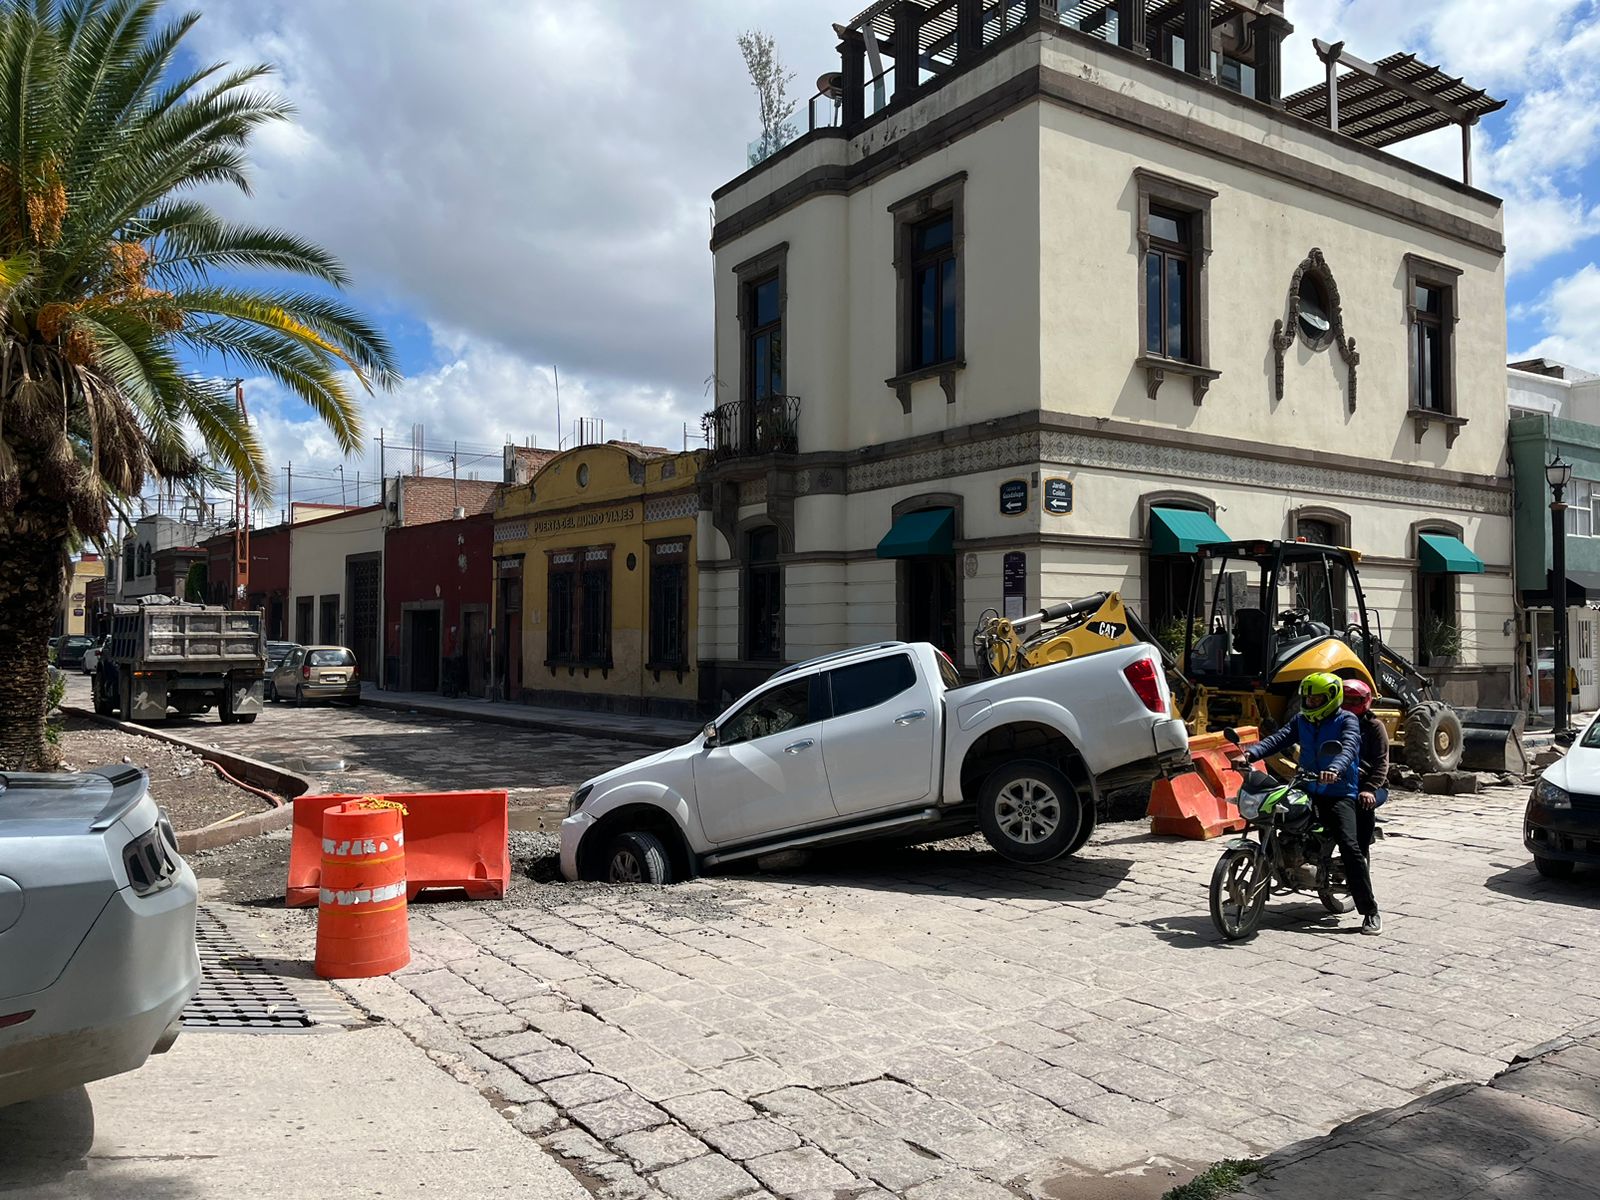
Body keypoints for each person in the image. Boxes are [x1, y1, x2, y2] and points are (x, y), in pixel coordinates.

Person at [1238, 672, 1382, 935]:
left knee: (1349, 847)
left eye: (1317, 699)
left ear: (1331, 698)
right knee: (1269, 815)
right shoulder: (1301, 720)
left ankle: (1370, 911)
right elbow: (1278, 739)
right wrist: (1251, 753)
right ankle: (1273, 866)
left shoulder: (1346, 720)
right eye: (1308, 699)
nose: (1311, 703)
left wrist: (1335, 769)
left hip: (1338, 792)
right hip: (1305, 787)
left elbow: (1349, 747)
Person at [1341, 679, 1389, 860]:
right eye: (1345, 699)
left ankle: (1360, 856)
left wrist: (1369, 788)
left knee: (1363, 804)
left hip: (1370, 784)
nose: (1349, 704)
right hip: (1341, 781)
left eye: (1354, 700)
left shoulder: (1374, 726)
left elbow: (1382, 762)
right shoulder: (1334, 723)